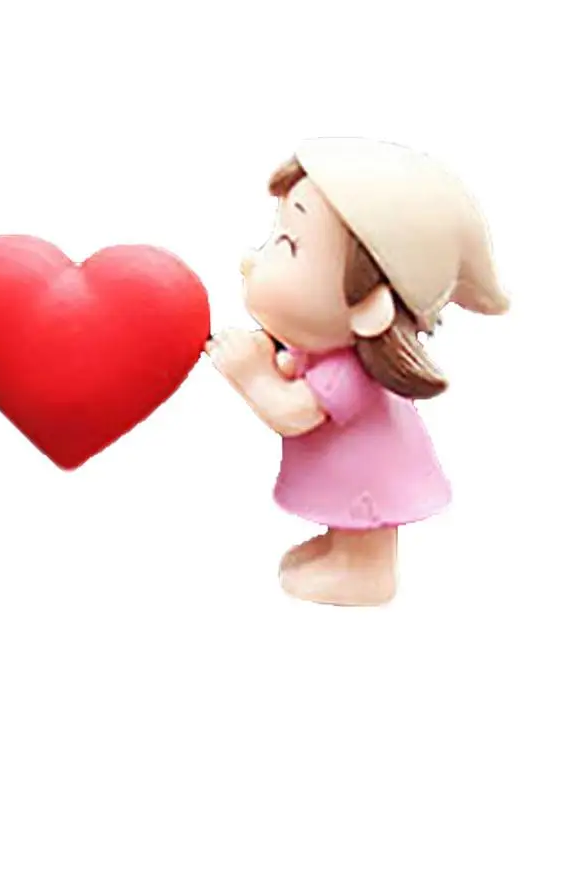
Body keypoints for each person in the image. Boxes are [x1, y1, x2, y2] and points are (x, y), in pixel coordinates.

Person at [208, 138, 508, 606]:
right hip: (352, 472)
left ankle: (367, 572)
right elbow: (292, 374)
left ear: (368, 307)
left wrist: (251, 375)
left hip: (371, 478)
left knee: (365, 516)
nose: (252, 260)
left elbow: (292, 413)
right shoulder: (326, 354)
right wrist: (274, 362)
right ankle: (342, 550)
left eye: (288, 245)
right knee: (350, 514)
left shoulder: (349, 375)